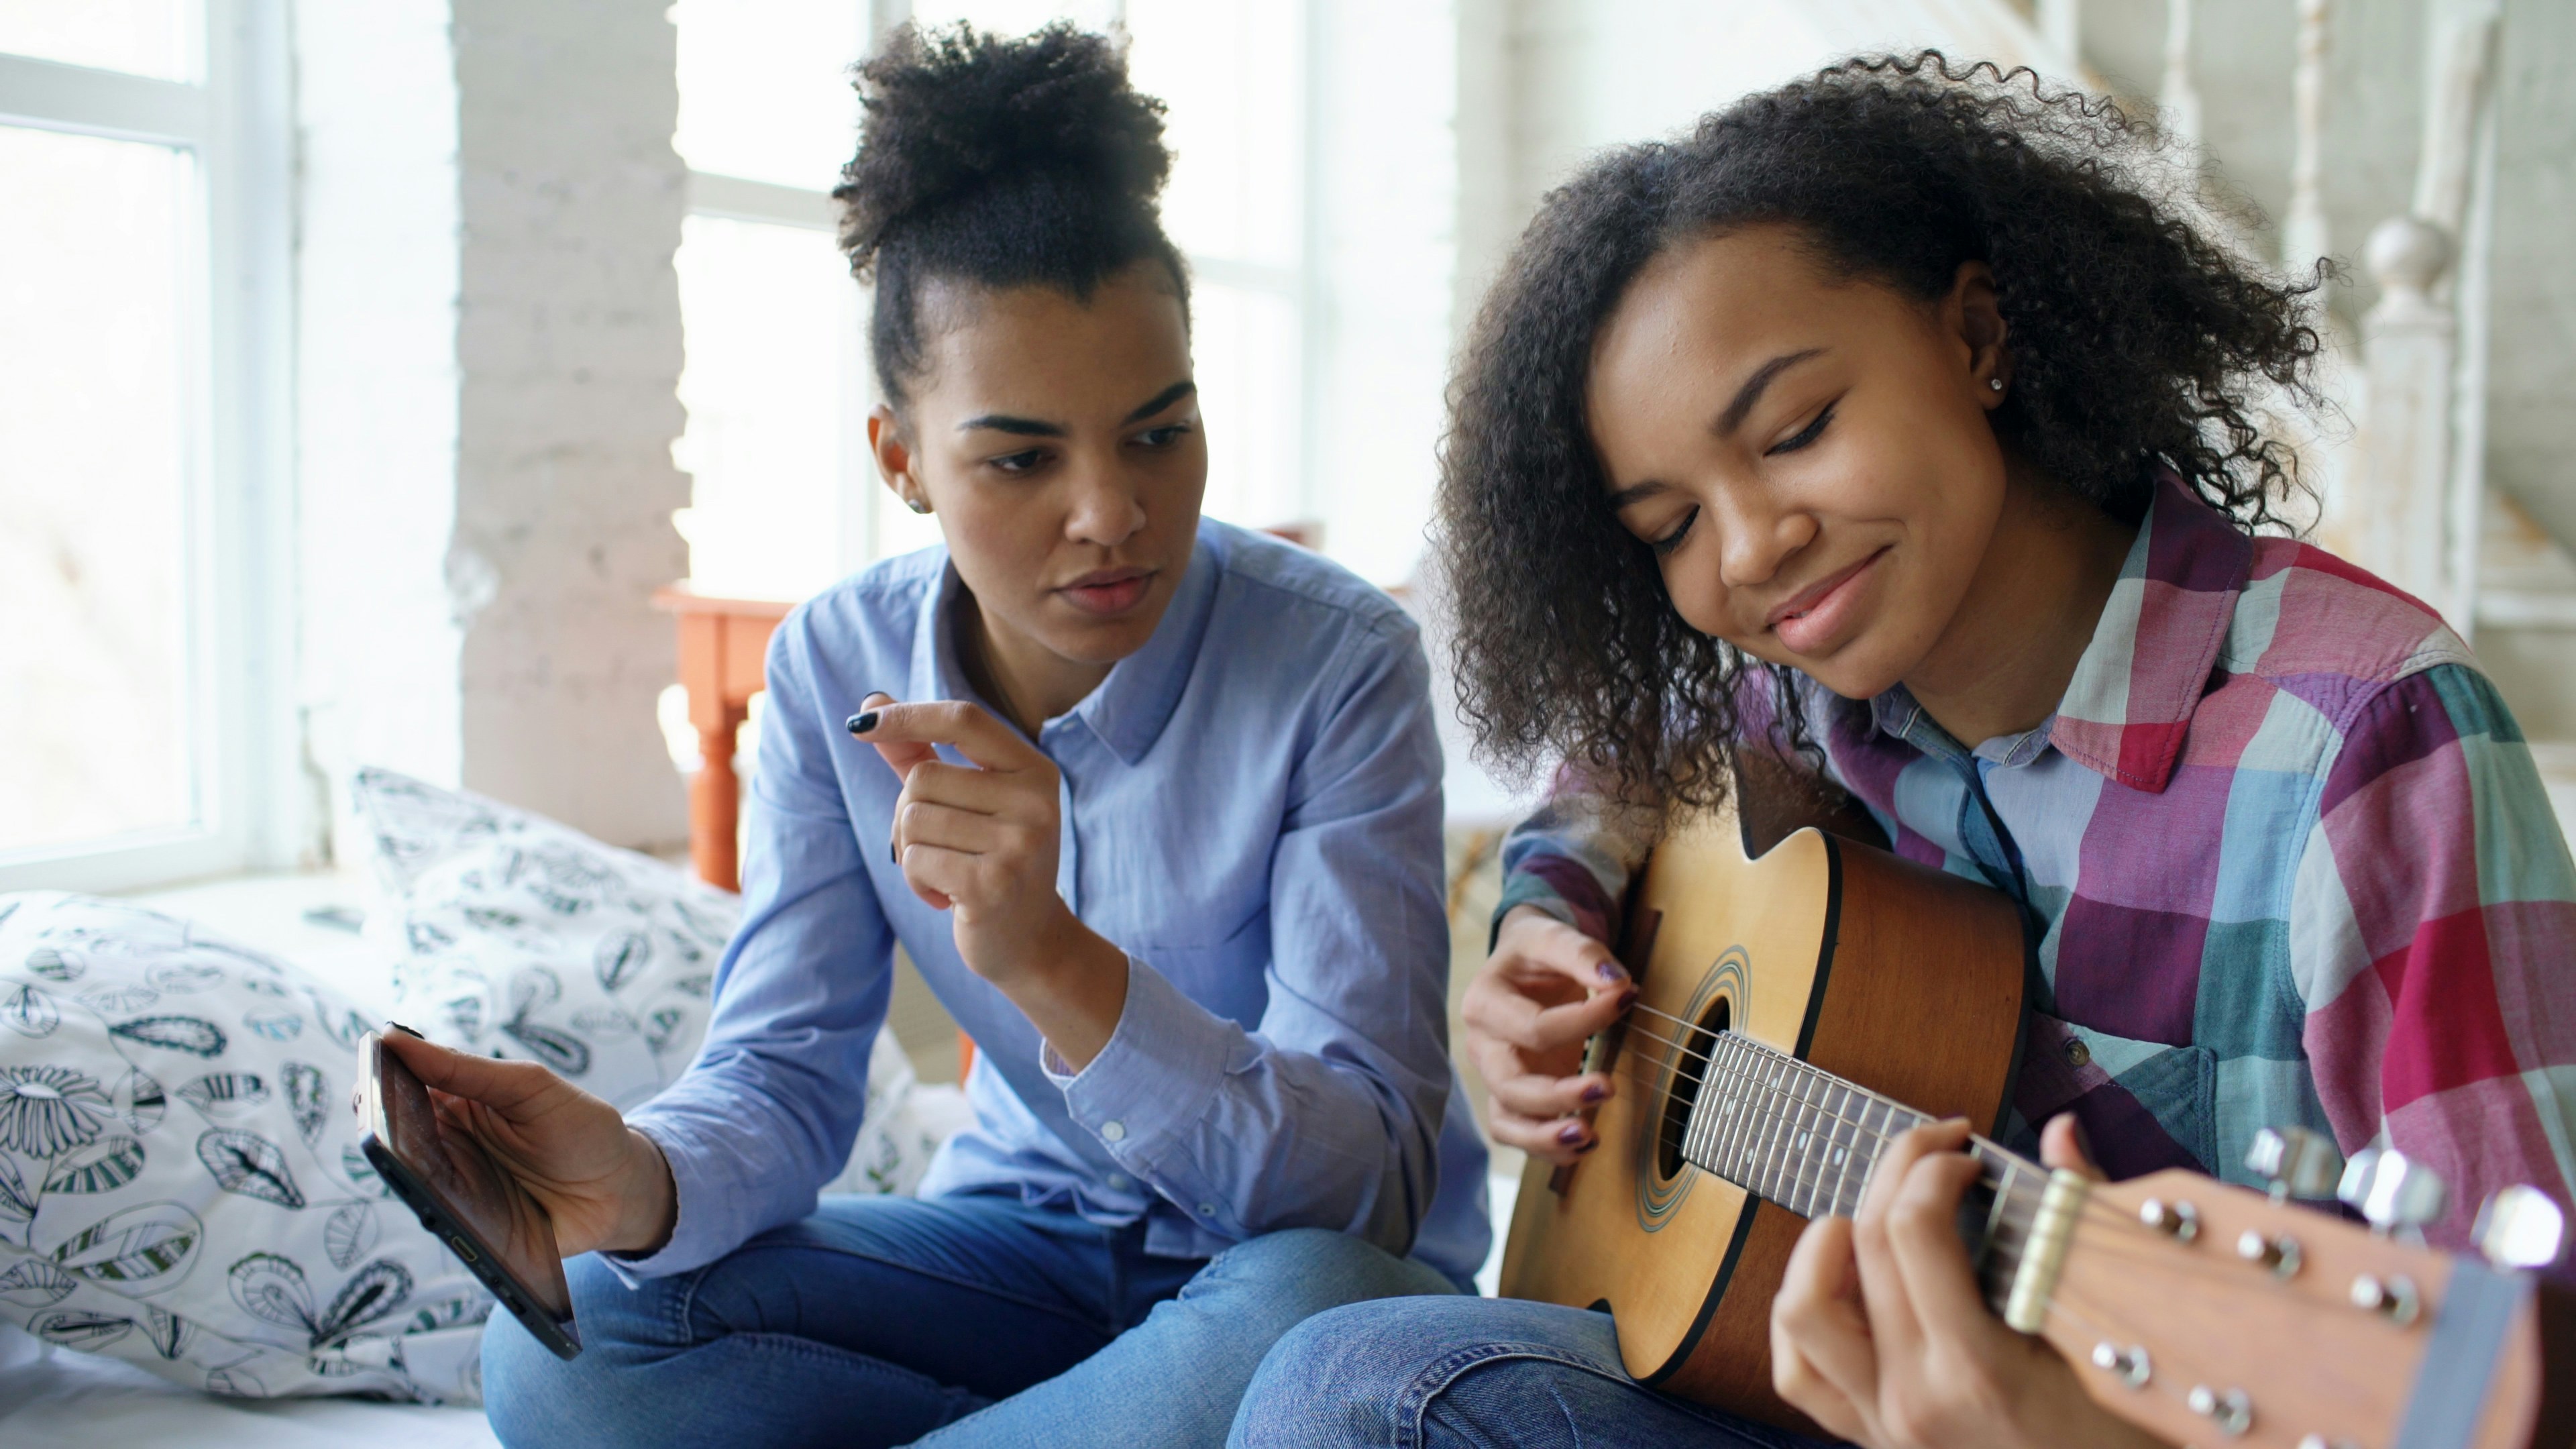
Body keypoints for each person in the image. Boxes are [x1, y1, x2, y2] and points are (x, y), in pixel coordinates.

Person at [1231, 54, 2576, 1449]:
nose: (1750, 550)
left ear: (1978, 336)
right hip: (1818, 1377)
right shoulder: (1799, 702)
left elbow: (2507, 1352)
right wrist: (1544, 926)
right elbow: (1614, 778)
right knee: (1342, 1375)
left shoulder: (2367, 743)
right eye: (1670, 529)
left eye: (1799, 430)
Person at [382, 23, 1488, 1449]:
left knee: (1315, 1331)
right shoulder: (832, 670)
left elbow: (1367, 1194)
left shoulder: (1338, 662)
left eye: (1160, 432)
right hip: (1012, 1255)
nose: (1110, 512)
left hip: (1274, 1278)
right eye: (1022, 456)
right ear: (901, 459)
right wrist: (640, 1176)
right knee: (569, 1339)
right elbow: (785, 1077)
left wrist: (1053, 961)